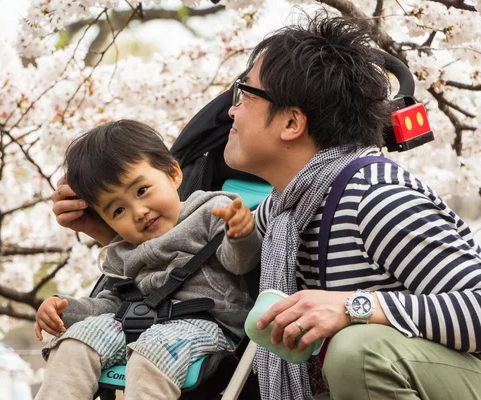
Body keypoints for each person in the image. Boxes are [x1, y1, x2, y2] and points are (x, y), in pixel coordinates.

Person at [52, 15, 481, 400]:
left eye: (245, 94)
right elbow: (196, 257)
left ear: (292, 123)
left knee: (357, 349)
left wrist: (355, 307)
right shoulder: (283, 212)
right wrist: (109, 230)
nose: (231, 112)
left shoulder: (374, 196)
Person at [35, 119, 262, 400]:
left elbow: (239, 264)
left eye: (142, 191)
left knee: (151, 351)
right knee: (75, 342)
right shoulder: (123, 249)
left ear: (173, 173)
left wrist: (240, 234)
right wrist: (65, 310)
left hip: (207, 324)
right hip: (139, 326)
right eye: (118, 210)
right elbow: (113, 304)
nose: (139, 211)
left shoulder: (211, 211)